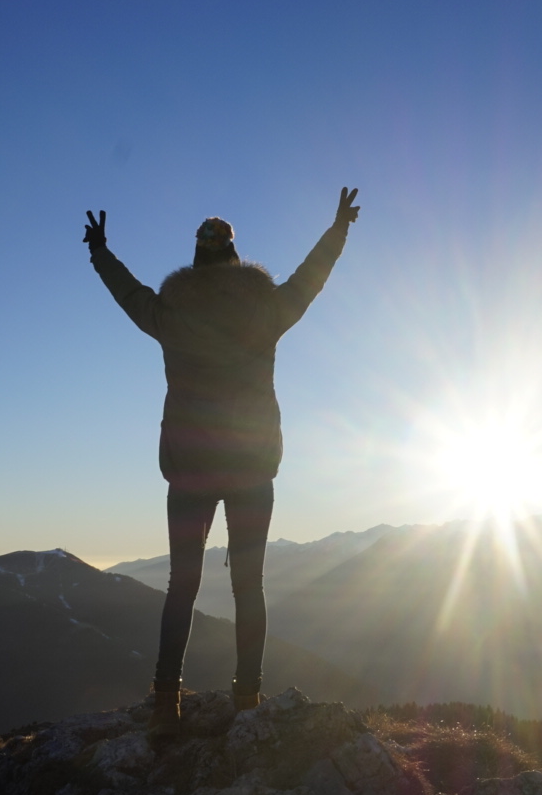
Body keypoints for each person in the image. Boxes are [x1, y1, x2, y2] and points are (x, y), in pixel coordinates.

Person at [84, 187, 361, 737]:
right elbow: (311, 279)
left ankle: (167, 700)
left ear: (196, 257)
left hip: (189, 466)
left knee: (181, 584)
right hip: (252, 465)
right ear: (235, 255)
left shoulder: (171, 312)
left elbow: (129, 293)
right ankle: (248, 699)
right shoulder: (267, 309)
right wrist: (338, 230)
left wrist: (99, 251)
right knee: (249, 587)